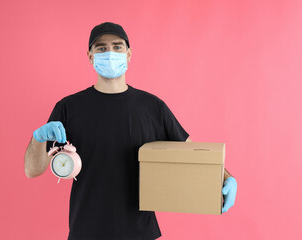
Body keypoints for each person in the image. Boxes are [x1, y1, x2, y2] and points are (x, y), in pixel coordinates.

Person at [24, 22, 237, 240]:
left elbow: (195, 156)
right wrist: (38, 138)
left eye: (117, 47)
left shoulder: (152, 107)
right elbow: (32, 170)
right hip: (86, 231)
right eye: (101, 48)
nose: (110, 53)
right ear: (90, 56)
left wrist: (227, 178)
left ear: (129, 54)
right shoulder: (69, 108)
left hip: (140, 232)